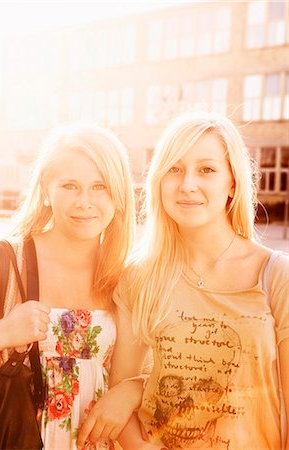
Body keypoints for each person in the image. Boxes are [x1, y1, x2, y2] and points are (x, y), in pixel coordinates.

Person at [106, 112, 289, 450]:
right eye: (174, 169)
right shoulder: (139, 276)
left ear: (232, 183)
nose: (188, 184)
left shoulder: (276, 276)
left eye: (206, 169)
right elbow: (121, 384)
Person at [0, 123, 142, 449]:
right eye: (69, 186)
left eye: (100, 187)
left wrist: (132, 391)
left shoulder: (129, 279)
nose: (85, 202)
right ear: (46, 188)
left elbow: (154, 374)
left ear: (119, 195)